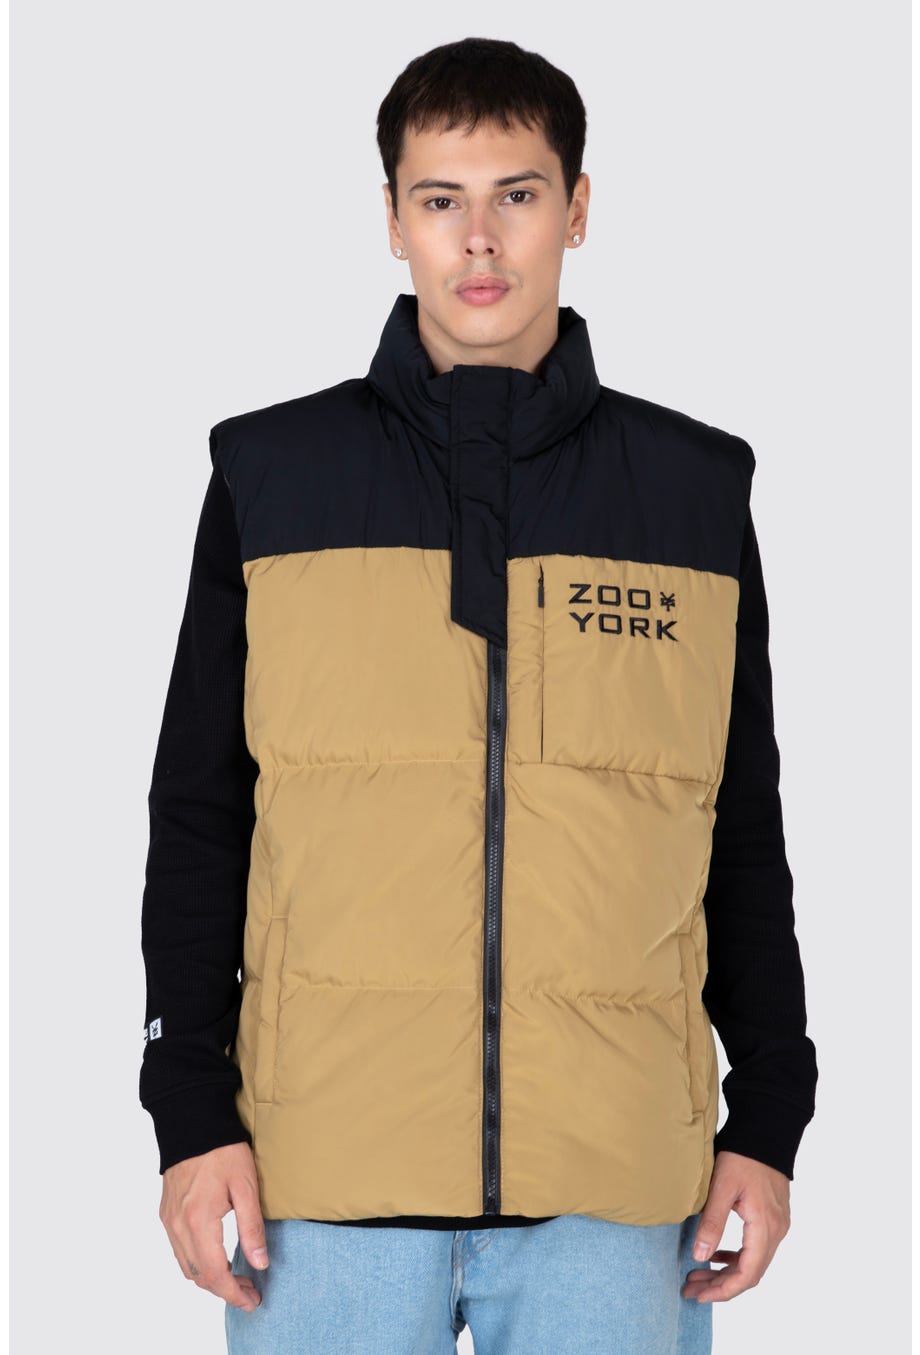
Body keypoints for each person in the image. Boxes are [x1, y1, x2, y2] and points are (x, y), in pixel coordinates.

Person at [139, 35, 819, 1355]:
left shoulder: (690, 492)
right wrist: (189, 1113)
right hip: (320, 1183)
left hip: (615, 1191)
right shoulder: (273, 477)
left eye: (517, 193)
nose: (481, 239)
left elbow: (737, 827)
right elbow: (202, 816)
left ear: (578, 207)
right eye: (440, 199)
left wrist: (772, 1119)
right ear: (393, 221)